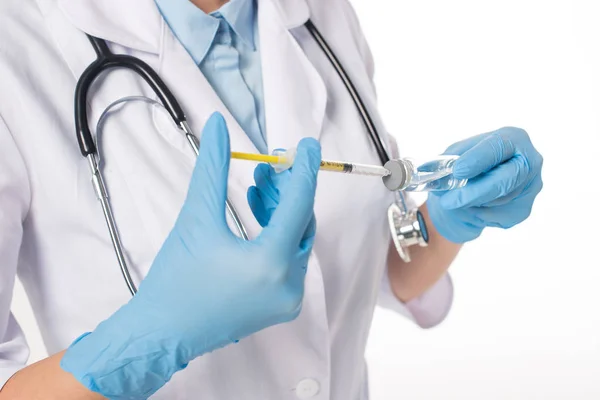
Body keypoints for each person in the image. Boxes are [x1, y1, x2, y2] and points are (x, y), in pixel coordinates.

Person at [0, 0, 543, 398]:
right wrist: (144, 342)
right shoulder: (17, 50)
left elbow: (369, 272)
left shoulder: (322, 14)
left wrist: (447, 219)